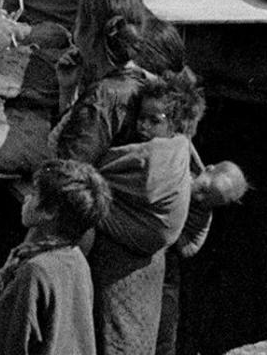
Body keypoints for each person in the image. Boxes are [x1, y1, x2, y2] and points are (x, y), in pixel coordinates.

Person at [87, 73, 201, 355]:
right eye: (141, 117)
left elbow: (93, 170)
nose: (143, 126)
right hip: (143, 265)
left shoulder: (159, 157)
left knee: (118, 338)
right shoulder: (177, 151)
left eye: (155, 120)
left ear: (176, 125)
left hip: (128, 266)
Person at [51, 0, 186, 163]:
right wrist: (68, 89)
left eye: (78, 23)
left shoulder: (102, 97)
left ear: (91, 35)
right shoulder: (149, 83)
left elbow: (69, 168)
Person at [0, 160, 107, 355]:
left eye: (34, 194)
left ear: (50, 211)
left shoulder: (35, 271)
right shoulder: (76, 258)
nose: (26, 198)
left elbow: (12, 345)